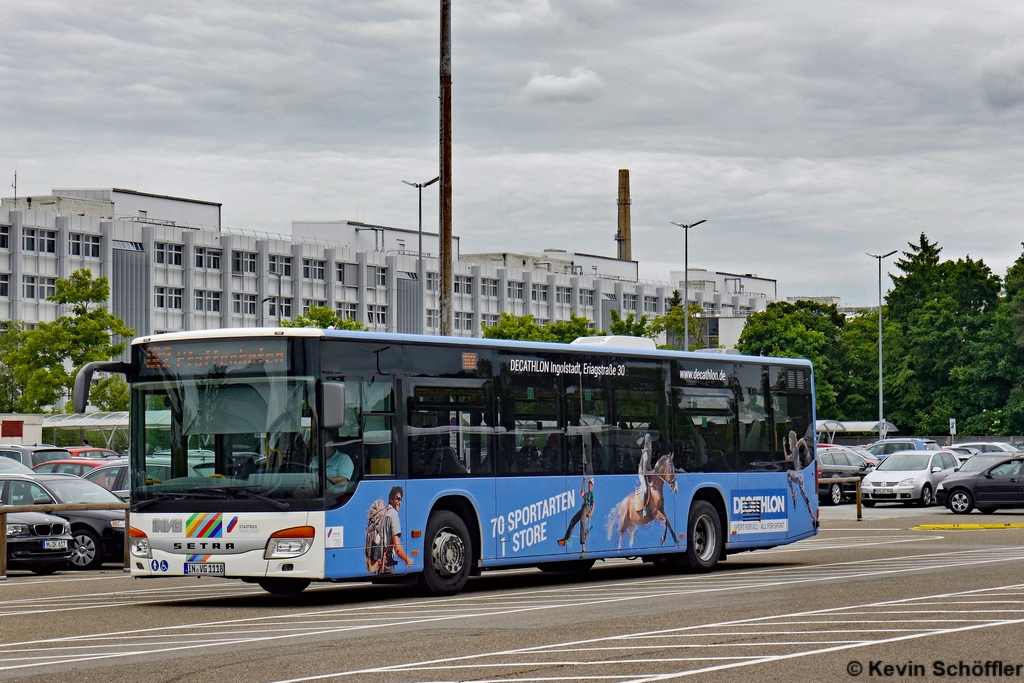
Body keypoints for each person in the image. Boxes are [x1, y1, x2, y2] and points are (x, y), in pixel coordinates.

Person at [557, 477, 595, 557]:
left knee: (582, 521)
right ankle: (565, 539)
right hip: (582, 507)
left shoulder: (592, 494)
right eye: (589, 484)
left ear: (593, 485)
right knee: (573, 521)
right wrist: (583, 482)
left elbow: (593, 504)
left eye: (590, 484)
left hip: (586, 507)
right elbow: (581, 493)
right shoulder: (587, 493)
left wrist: (591, 512)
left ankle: (583, 545)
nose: (589, 485)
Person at [382, 485, 412, 573]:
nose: (399, 502)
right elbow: (397, 548)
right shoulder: (393, 514)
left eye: (400, 499)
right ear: (391, 499)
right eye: (397, 499)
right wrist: (408, 560)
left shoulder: (385, 513)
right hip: (388, 564)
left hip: (381, 563)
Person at [636, 432, 654, 515]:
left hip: (646, 471)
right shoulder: (646, 453)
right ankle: (644, 508)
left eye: (651, 442)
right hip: (641, 472)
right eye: (650, 443)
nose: (651, 444)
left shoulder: (650, 451)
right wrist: (652, 472)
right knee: (646, 488)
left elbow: (649, 465)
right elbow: (644, 471)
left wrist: (652, 472)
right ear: (647, 443)